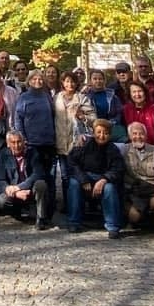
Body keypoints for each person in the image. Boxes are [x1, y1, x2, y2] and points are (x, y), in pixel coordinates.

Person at [66, 119, 125, 238]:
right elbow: (72, 162)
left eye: (105, 133)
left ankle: (112, 226)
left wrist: (104, 179)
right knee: (73, 183)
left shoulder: (113, 149)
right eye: (99, 132)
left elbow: (118, 169)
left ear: (110, 135)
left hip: (103, 180)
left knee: (109, 188)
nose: (102, 136)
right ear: (94, 132)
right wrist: (83, 179)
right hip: (85, 177)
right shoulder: (84, 144)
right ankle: (74, 222)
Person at [52, 71, 95, 211]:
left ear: (76, 83)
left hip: (77, 144)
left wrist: (83, 117)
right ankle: (68, 204)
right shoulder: (56, 98)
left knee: (77, 175)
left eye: (72, 81)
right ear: (62, 83)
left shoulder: (82, 98)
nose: (69, 84)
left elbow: (94, 119)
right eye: (67, 81)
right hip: (60, 142)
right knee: (64, 176)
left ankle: (80, 205)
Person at [0, 130, 50, 230]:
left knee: (41, 184)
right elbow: (0, 180)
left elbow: (37, 174)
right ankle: (16, 212)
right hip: (13, 192)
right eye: (13, 142)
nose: (17, 145)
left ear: (24, 142)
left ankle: (40, 218)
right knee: (1, 200)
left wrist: (19, 187)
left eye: (19, 141)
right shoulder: (3, 154)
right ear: (8, 144)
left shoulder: (33, 152)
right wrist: (15, 192)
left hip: (28, 189)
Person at [120, 122, 154, 232]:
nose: (138, 137)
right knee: (134, 216)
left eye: (141, 134)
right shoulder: (123, 149)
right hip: (133, 191)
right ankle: (135, 221)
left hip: (153, 190)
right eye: (134, 134)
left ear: (146, 136)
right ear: (129, 136)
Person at [13, 70, 57, 183]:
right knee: (35, 174)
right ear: (29, 81)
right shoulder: (24, 97)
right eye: (34, 79)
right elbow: (18, 119)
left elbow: (53, 116)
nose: (38, 81)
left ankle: (51, 199)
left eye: (40, 79)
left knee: (50, 174)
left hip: (48, 143)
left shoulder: (47, 96)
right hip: (32, 143)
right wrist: (23, 138)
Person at [86, 68, 124, 141]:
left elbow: (119, 113)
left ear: (104, 80)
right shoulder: (85, 97)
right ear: (90, 81)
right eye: (95, 79)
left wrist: (110, 123)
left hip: (111, 130)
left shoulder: (112, 96)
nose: (98, 81)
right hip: (92, 131)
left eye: (100, 79)